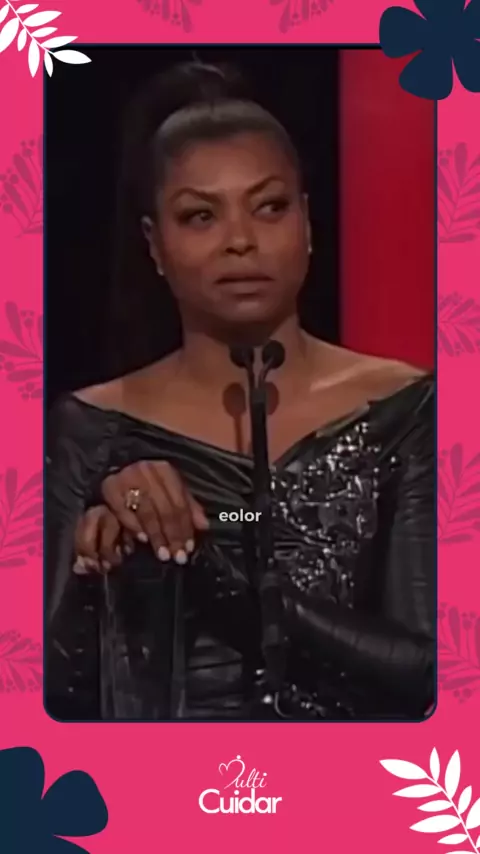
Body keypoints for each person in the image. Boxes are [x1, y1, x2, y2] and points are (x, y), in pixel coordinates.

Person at [46, 60, 435, 722]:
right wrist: (103, 570)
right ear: (154, 244)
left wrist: (211, 570)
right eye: (201, 216)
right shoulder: (92, 427)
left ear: (307, 222)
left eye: (269, 206)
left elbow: (431, 673)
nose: (240, 241)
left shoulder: (405, 407)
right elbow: (45, 694)